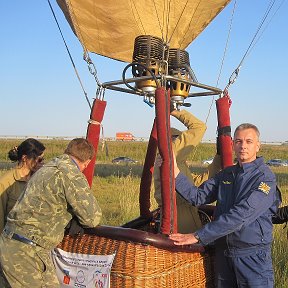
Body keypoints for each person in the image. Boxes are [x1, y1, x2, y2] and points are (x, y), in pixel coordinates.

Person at [169, 123, 281, 287]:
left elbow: (241, 215)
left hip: (251, 257)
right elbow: (197, 196)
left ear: (258, 146)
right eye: (238, 141)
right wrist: (175, 172)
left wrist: (198, 235)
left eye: (249, 142)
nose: (243, 146)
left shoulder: (265, 179)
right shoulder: (226, 174)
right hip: (224, 254)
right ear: (233, 145)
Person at [0, 138, 102, 287]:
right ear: (86, 162)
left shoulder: (47, 167)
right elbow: (92, 218)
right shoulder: (70, 173)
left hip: (18, 245)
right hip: (27, 251)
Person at [154, 109, 221, 233]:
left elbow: (197, 182)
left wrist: (219, 156)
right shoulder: (170, 153)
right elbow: (199, 127)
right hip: (179, 217)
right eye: (179, 139)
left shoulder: (176, 163)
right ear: (174, 140)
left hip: (187, 213)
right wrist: (174, 110)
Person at [0, 138, 45, 233]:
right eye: (39, 160)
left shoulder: (39, 179)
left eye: (43, 159)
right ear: (25, 158)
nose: (42, 163)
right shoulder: (5, 182)